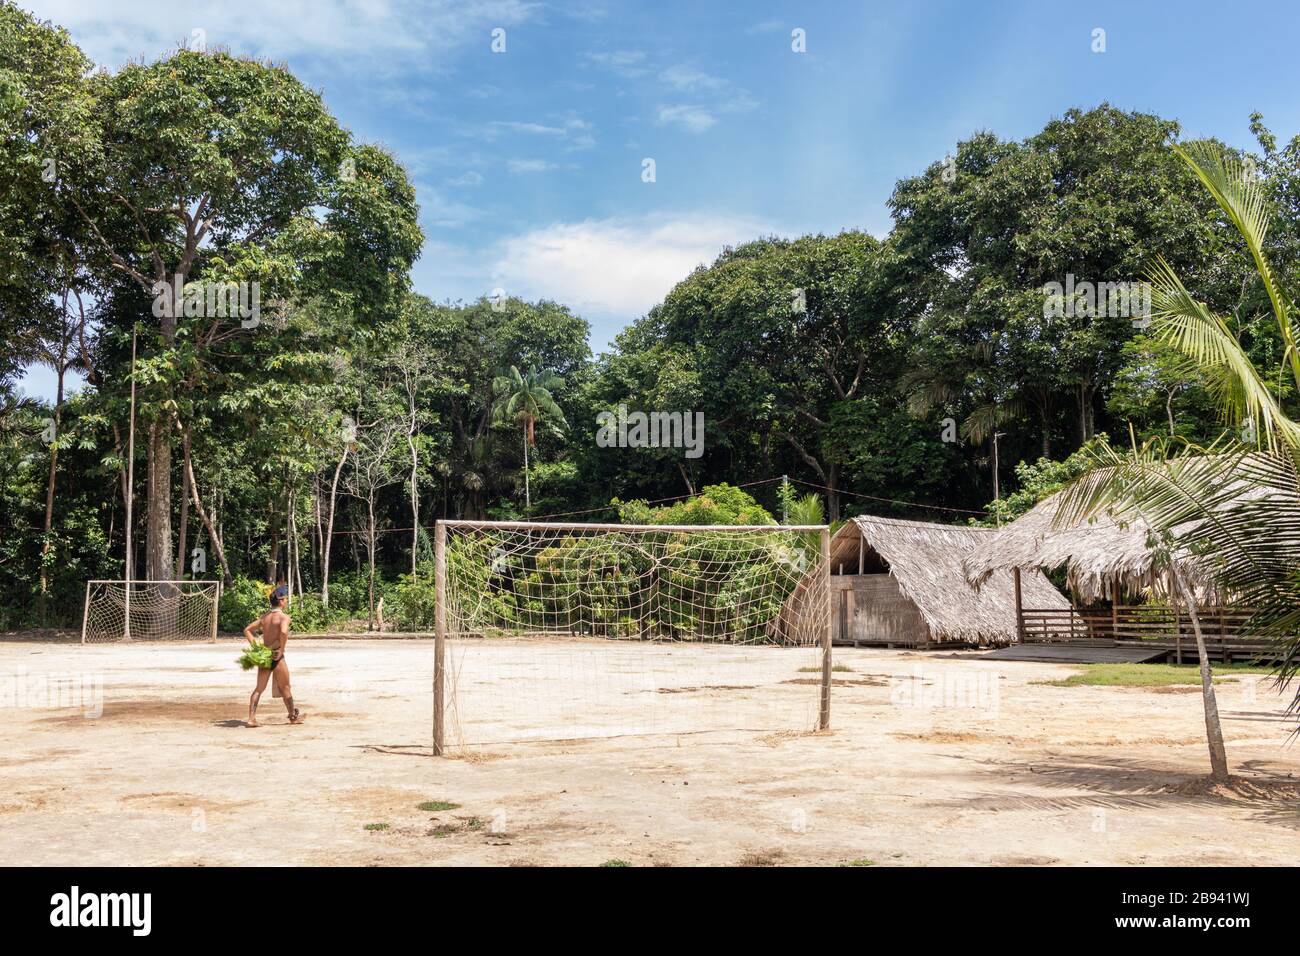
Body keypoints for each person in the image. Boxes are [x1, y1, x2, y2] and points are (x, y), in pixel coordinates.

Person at [242, 593, 302, 727]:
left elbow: (247, 630)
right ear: (281, 601)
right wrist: (281, 649)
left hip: (265, 655)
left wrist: (256, 647)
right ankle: (293, 717)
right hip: (277, 655)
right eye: (285, 599)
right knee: (285, 688)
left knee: (259, 688)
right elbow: (284, 632)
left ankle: (251, 718)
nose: (286, 601)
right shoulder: (284, 617)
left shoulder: (265, 617)